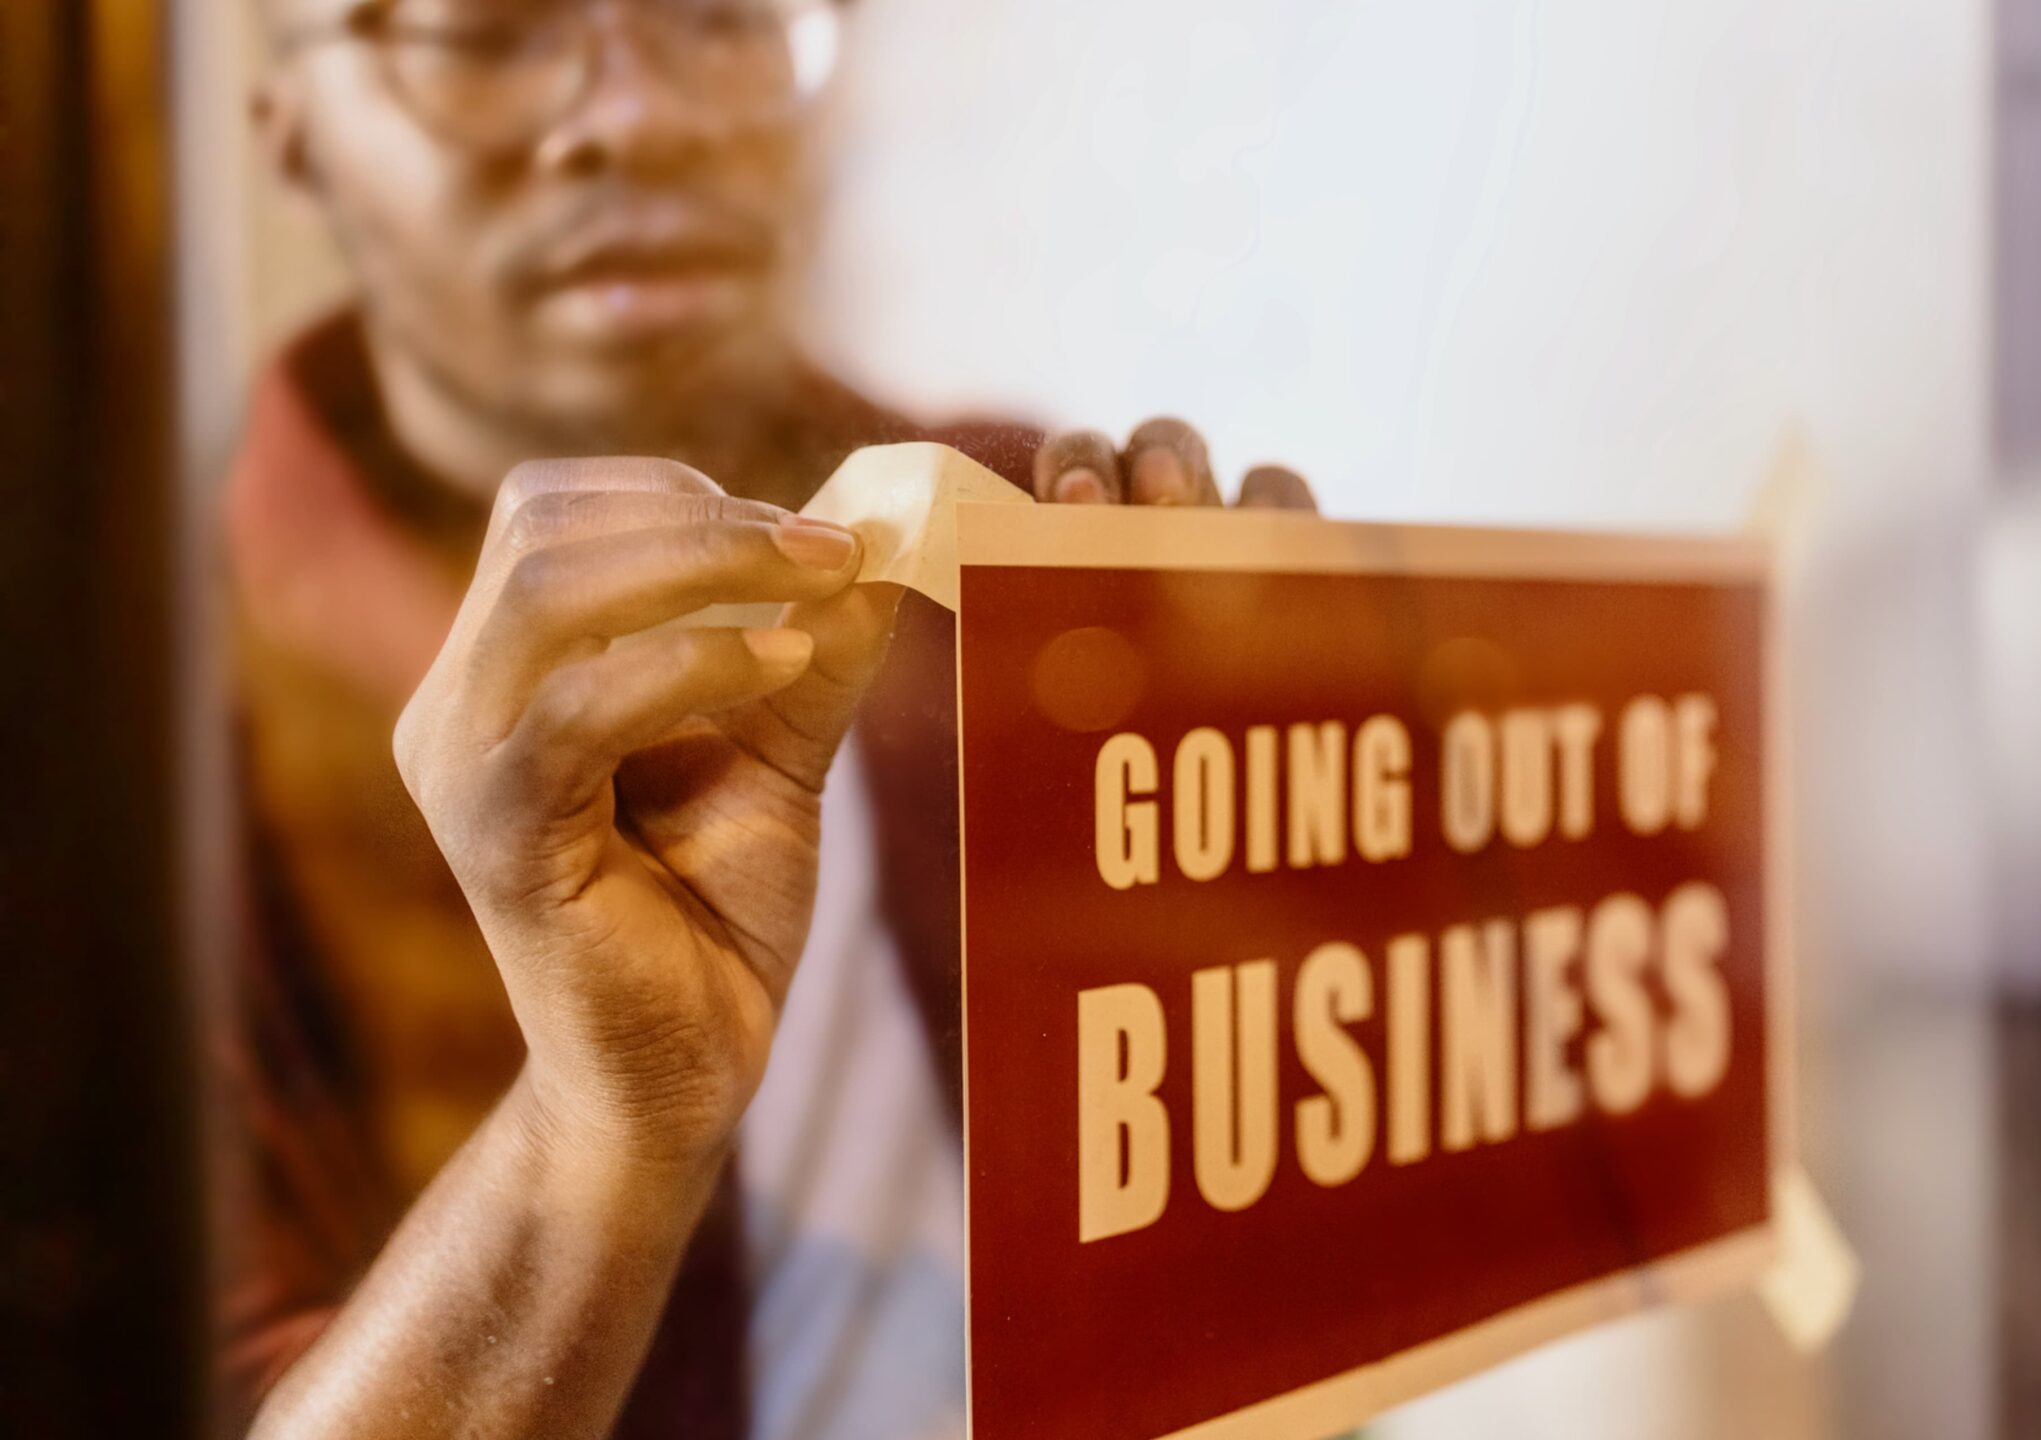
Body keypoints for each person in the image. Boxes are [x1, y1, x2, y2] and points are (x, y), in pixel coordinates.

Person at [215, 1, 1312, 1435]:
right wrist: (602, 1128)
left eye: (725, 16)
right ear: (292, 131)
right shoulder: (122, 729)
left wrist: (1313, 895)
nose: (639, 115)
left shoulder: (1030, 537)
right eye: (482, 34)